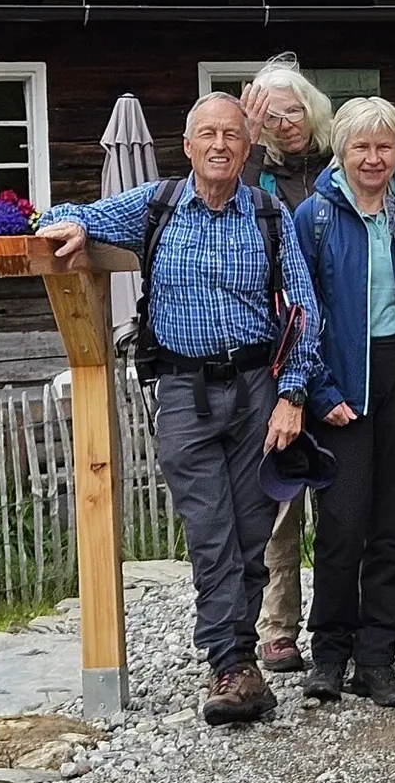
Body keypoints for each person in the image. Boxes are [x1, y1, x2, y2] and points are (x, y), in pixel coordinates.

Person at [37, 93, 319, 726]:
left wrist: (293, 394)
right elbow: (65, 213)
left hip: (255, 393)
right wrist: (75, 227)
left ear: (248, 150)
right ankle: (230, 663)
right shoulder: (156, 205)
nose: (220, 145)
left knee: (253, 530)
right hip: (184, 394)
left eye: (232, 136)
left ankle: (236, 662)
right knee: (210, 527)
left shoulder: (271, 215)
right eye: (207, 135)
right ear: (187, 147)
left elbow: (301, 310)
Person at [287, 98, 395, 708]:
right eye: (361, 147)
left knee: (393, 527)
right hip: (342, 382)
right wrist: (319, 390)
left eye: (384, 147)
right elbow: (298, 310)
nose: (373, 158)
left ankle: (377, 655)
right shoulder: (315, 216)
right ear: (341, 152)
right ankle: (329, 652)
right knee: (342, 524)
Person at [236, 55, 335, 676]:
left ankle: (334, 619)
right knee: (279, 497)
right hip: (280, 350)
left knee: (342, 496)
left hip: (343, 345)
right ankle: (276, 627)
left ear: (312, 109)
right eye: (270, 116)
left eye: (292, 110)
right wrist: (244, 143)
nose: (284, 123)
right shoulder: (256, 180)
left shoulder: (335, 164)